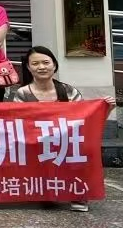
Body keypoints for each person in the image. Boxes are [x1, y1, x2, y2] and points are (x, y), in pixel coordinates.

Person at [10, 46, 115, 212]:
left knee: (82, 148)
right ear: (28, 67)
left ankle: (78, 193)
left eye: (46, 62)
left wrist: (106, 108)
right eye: (35, 63)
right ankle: (44, 190)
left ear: (54, 65)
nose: (41, 67)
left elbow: (86, 120)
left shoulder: (68, 91)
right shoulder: (22, 93)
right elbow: (14, 122)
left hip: (66, 142)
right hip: (33, 143)